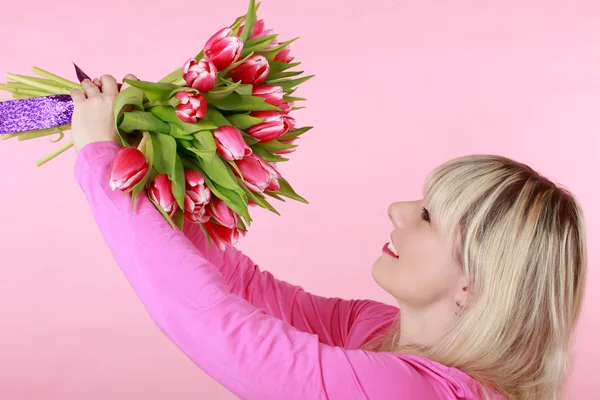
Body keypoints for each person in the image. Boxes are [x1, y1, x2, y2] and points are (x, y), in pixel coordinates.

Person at [68, 74, 587, 400]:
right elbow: (249, 293)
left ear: (473, 283)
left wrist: (102, 166)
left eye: (429, 216)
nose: (397, 209)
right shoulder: (382, 330)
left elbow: (218, 328)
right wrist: (150, 164)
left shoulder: (407, 390)